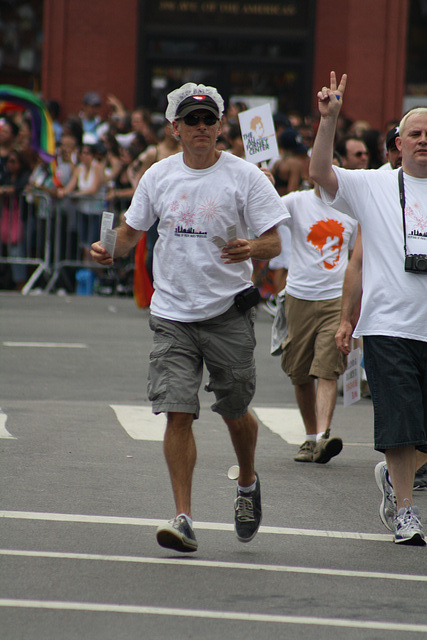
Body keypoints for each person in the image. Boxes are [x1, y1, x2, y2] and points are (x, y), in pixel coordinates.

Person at [91, 82, 289, 552]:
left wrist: (252, 248)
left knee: (236, 412)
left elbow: (276, 242)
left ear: (220, 126)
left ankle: (246, 483)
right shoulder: (158, 175)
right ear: (175, 127)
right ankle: (183, 517)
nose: (201, 128)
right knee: (177, 412)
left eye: (209, 120)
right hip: (172, 315)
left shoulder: (246, 177)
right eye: (191, 121)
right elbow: (131, 233)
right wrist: (108, 249)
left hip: (227, 313)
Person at [310, 70, 427, 546]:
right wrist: (329, 120)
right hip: (390, 325)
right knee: (400, 425)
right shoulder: (375, 186)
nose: (424, 141)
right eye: (415, 134)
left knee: (419, 434)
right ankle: (405, 511)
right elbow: (320, 173)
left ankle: (393, 478)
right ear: (398, 143)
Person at [279, 159, 357, 463]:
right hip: (298, 298)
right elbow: (261, 215)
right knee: (299, 372)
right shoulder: (296, 202)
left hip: (335, 300)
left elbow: (358, 262)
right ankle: (310, 437)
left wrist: (353, 311)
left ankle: (323, 436)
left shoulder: (351, 211)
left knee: (327, 367)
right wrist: (263, 182)